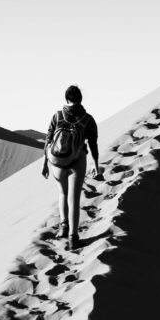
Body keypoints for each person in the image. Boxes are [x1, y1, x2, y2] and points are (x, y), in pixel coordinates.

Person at [42, 85, 102, 243]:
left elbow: (48, 139)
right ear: (80, 99)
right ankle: (73, 237)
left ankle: (63, 226)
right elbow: (93, 144)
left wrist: (45, 163)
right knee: (74, 198)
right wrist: (96, 165)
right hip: (77, 161)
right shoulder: (88, 119)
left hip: (57, 162)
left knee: (62, 193)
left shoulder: (57, 115)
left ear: (66, 99)